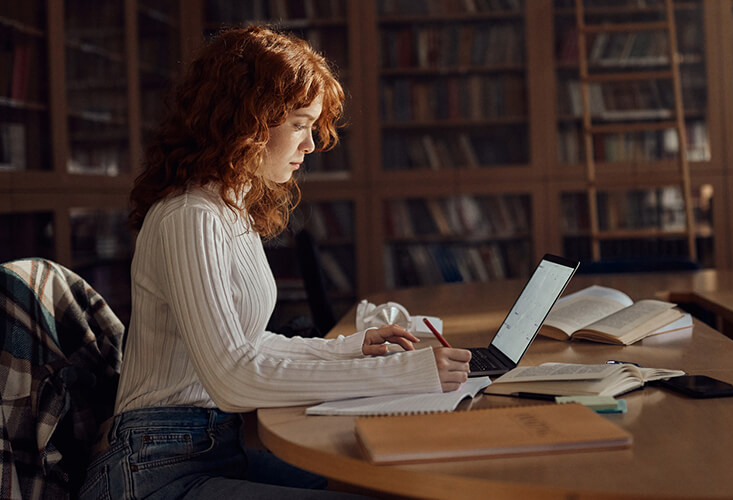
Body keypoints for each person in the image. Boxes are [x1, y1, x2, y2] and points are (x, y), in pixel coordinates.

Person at [79, 25, 472, 499]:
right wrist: (404, 373)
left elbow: (246, 343)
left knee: (388, 484)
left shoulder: (229, 210)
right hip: (153, 469)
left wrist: (349, 348)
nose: (310, 145)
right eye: (300, 124)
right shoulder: (190, 216)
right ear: (247, 121)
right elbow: (232, 376)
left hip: (209, 448)